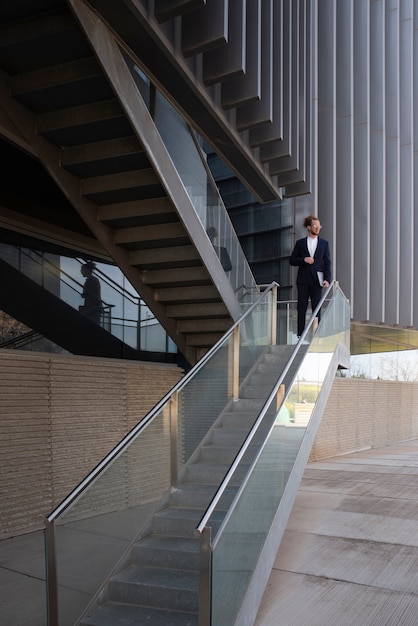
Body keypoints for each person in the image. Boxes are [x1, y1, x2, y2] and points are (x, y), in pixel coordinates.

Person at [289, 214, 331, 337]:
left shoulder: (324, 243)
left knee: (316, 308)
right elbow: (292, 260)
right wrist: (304, 260)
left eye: (319, 226)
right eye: (315, 226)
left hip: (317, 280)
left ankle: (316, 334)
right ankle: (300, 335)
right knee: (301, 308)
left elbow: (327, 262)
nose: (317, 228)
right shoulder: (300, 243)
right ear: (308, 227)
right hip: (303, 280)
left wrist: (327, 279)